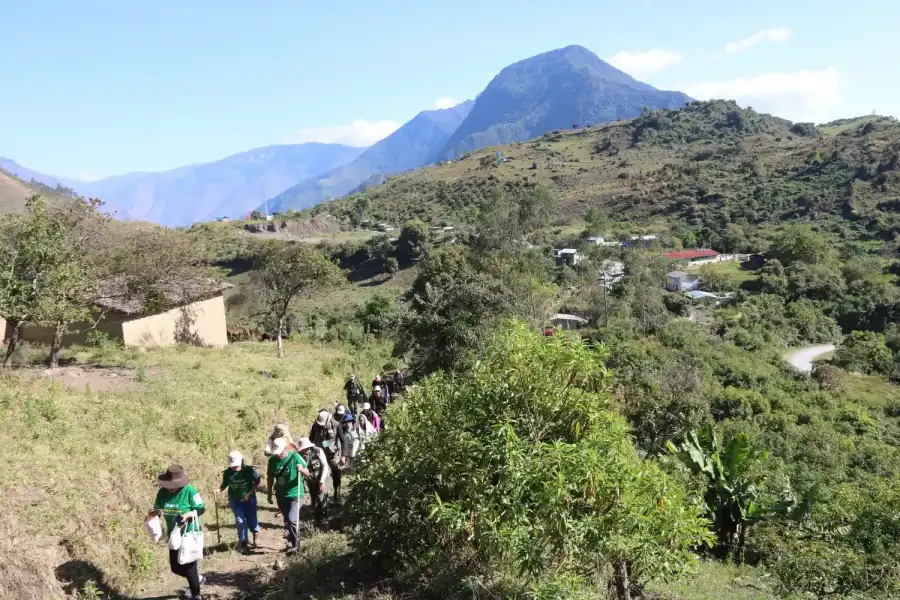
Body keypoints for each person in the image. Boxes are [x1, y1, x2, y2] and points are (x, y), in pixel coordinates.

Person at [147, 464, 206, 600]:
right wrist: (153, 513)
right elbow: (158, 510)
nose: (171, 488)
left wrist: (189, 514)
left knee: (190, 566)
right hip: (174, 535)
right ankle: (197, 579)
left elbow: (201, 508)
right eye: (169, 484)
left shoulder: (190, 491)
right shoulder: (162, 493)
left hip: (189, 534)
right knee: (175, 567)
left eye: (174, 485)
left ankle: (196, 595)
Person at [266, 437, 309, 554]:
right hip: (281, 495)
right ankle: (290, 542)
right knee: (287, 520)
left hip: (295, 494)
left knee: (292, 519)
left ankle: (297, 545)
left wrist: (302, 470)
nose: (279, 455)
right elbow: (270, 478)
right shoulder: (272, 461)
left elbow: (308, 473)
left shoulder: (295, 457)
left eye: (280, 452)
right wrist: (269, 494)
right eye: (276, 453)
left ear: (285, 449)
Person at [218, 451, 261, 552]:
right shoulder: (228, 472)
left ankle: (256, 533)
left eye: (236, 465)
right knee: (240, 520)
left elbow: (258, 480)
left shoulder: (249, 470)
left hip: (249, 499)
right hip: (235, 499)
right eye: (233, 466)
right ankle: (243, 542)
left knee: (252, 520)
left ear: (241, 461)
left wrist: (249, 493)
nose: (234, 467)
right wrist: (218, 489)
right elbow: (224, 485)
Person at [308, 409, 349, 502]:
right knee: (318, 474)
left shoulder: (336, 425)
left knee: (336, 471)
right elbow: (311, 439)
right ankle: (320, 497)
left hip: (333, 454)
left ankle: (336, 492)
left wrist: (343, 455)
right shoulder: (315, 425)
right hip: (319, 454)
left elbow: (343, 440)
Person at [296, 437, 330, 527]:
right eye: (303, 449)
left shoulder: (318, 451)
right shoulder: (298, 455)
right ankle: (317, 519)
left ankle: (324, 520)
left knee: (322, 498)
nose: (304, 451)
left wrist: (322, 482)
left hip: (322, 477)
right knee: (314, 499)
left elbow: (325, 465)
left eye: (305, 448)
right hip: (311, 480)